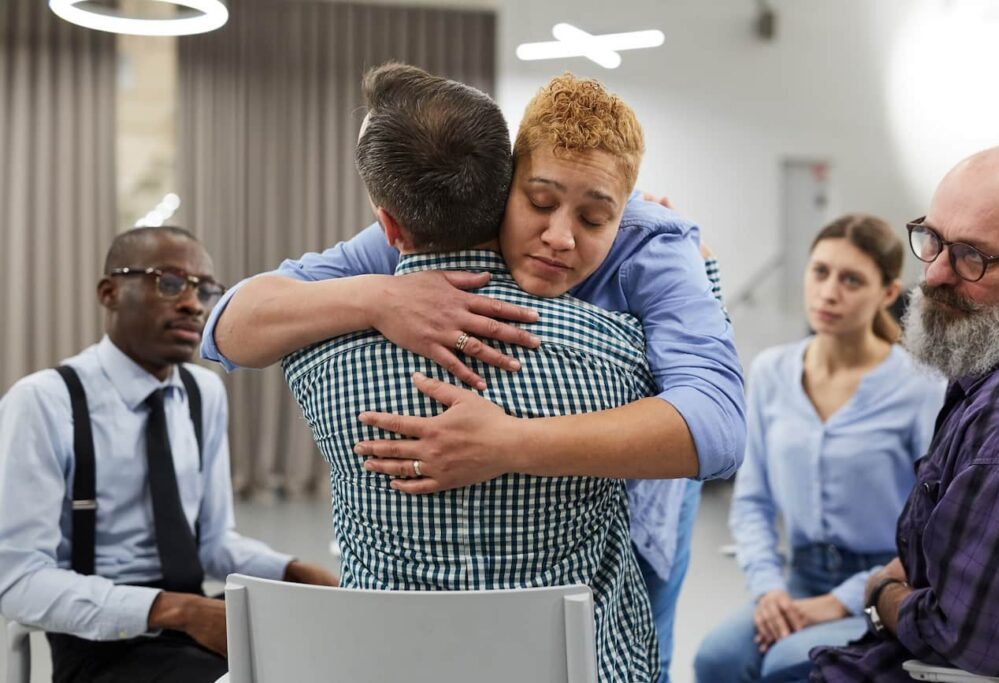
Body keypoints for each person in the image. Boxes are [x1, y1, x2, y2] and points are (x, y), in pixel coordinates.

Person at [203, 69, 743, 682]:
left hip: (642, 500)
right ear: (504, 187)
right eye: (539, 203)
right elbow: (227, 326)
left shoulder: (655, 247)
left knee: (635, 637)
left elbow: (719, 428)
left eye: (594, 220)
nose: (559, 237)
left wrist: (509, 443)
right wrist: (379, 299)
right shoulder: (452, 219)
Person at [0, 226, 338, 683]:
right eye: (171, 282)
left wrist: (295, 571)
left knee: (335, 656)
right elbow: (17, 581)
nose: (193, 304)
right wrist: (173, 609)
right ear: (110, 292)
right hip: (100, 646)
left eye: (205, 290)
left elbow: (214, 543)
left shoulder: (204, 394)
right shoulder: (44, 402)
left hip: (190, 621)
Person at [785, 144, 999, 682]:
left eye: (973, 256)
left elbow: (959, 639)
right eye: (932, 240)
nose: (936, 274)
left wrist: (880, 591)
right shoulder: (980, 367)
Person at [693, 214, 946, 683]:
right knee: (717, 659)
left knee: (787, 664)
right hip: (797, 579)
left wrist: (837, 603)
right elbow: (752, 501)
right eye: (820, 272)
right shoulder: (771, 372)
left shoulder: (918, 386)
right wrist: (768, 591)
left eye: (852, 280)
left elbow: (930, 526)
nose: (829, 292)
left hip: (882, 585)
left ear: (888, 294)